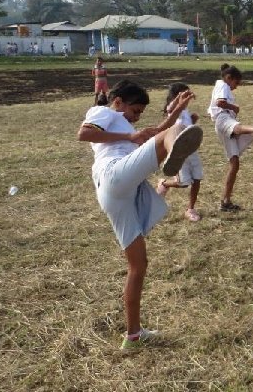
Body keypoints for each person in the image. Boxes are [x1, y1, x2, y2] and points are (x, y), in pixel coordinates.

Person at [77, 79, 203, 349]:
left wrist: (175, 109)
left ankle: (133, 335)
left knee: (138, 265)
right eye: (134, 112)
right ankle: (172, 163)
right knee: (179, 129)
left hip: (115, 193)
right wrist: (131, 136)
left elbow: (155, 132)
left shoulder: (125, 126)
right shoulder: (105, 112)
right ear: (118, 101)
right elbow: (84, 134)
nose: (135, 118)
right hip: (113, 173)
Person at [208, 64, 253, 211]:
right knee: (238, 128)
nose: (236, 86)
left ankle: (226, 201)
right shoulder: (223, 85)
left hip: (223, 124)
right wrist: (234, 107)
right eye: (236, 83)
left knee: (235, 163)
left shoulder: (223, 86)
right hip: (223, 118)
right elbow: (220, 102)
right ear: (228, 78)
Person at [156, 83, 205, 221]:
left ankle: (191, 208)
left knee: (197, 178)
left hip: (192, 148)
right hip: (179, 151)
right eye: (185, 93)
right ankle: (164, 183)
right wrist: (180, 98)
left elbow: (187, 128)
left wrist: (193, 120)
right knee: (183, 182)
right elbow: (171, 109)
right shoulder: (173, 109)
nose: (188, 96)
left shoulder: (185, 112)